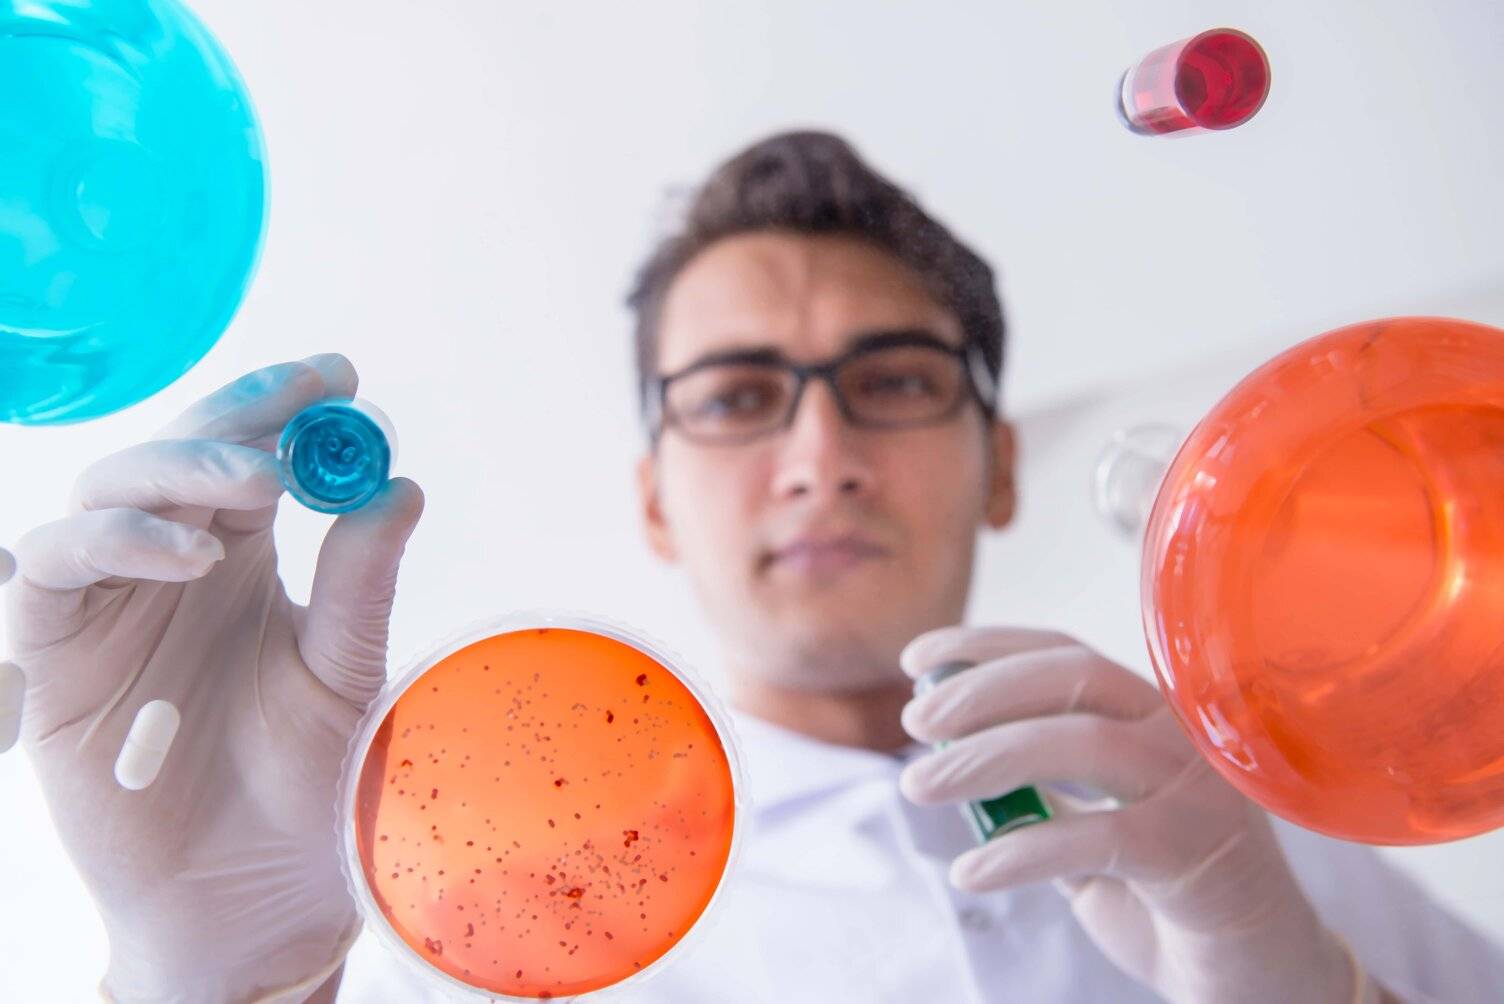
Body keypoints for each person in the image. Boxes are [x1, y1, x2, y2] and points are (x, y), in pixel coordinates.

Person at [6, 131, 1501, 1003]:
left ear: (1000, 464)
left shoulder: (1248, 849)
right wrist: (209, 971)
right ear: (657, 500)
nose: (817, 455)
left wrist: (1274, 965)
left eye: (898, 379)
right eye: (734, 397)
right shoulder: (487, 932)